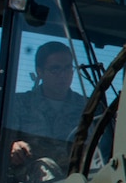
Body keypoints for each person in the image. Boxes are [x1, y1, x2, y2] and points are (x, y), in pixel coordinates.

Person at [6, 40, 87, 172]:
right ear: (40, 72)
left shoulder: (88, 107)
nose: (63, 75)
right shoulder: (19, 103)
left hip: (79, 180)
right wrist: (12, 147)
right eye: (55, 69)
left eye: (67, 68)